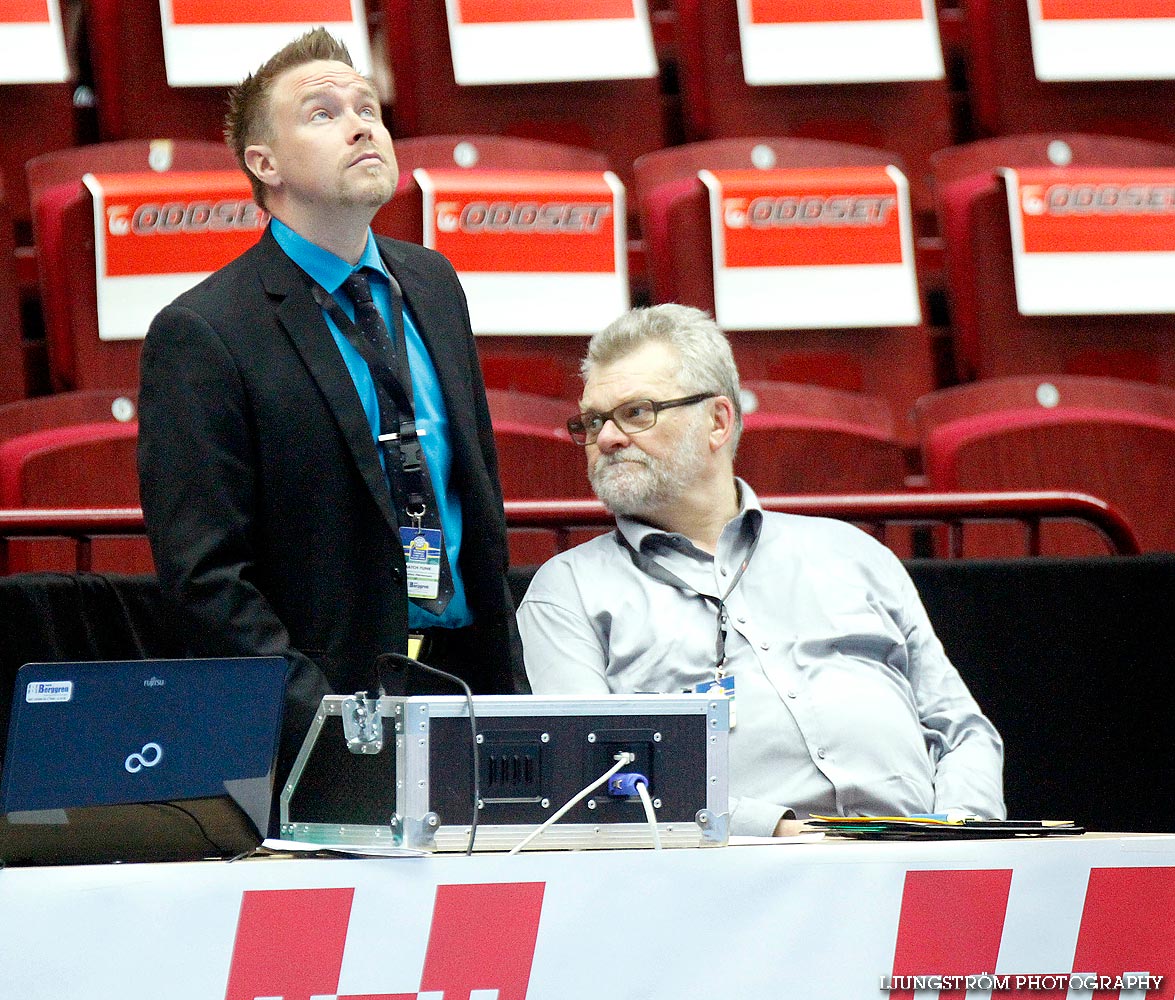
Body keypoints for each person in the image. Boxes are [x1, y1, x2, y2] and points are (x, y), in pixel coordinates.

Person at [137, 28, 523, 789]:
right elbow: (205, 578)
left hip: (466, 693)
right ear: (264, 164)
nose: (360, 125)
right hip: (321, 718)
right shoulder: (206, 332)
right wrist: (324, 716)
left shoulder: (433, 283)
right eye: (322, 113)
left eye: (367, 107)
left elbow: (470, 497)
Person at [517, 304, 1005, 836]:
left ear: (717, 422)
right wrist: (779, 831)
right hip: (734, 883)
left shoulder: (854, 555)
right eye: (592, 421)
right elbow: (587, 776)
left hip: (922, 867)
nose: (606, 438)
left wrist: (960, 835)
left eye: (635, 413)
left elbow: (962, 731)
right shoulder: (568, 593)